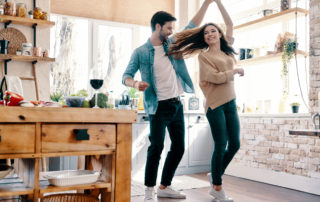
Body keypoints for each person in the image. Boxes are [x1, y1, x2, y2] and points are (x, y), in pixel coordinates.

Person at [122, 0, 214, 200]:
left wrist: (206, 3)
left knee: (179, 147)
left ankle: (164, 187)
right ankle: (148, 191)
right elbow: (126, 76)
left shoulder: (172, 44)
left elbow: (192, 26)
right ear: (158, 27)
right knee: (156, 148)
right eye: (169, 27)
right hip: (157, 107)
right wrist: (135, 84)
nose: (172, 31)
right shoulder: (140, 52)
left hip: (176, 104)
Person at [168, 0, 244, 200]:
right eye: (206, 33)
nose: (209, 34)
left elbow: (230, 23)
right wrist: (233, 71)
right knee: (221, 143)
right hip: (214, 105)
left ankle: (214, 174)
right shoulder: (204, 56)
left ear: (219, 34)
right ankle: (217, 188)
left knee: (235, 144)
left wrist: (217, 3)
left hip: (230, 102)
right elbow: (215, 78)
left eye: (213, 31)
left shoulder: (227, 49)